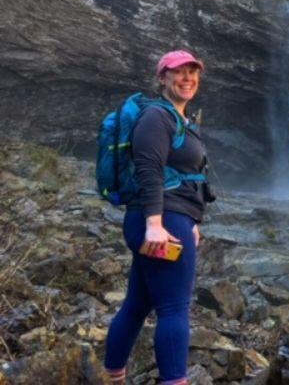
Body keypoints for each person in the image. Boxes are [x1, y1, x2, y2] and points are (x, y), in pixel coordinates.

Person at [104, 50, 216, 385]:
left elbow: (181, 177)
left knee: (138, 304)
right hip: (160, 223)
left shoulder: (180, 119)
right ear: (162, 78)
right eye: (178, 72)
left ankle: (112, 377)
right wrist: (156, 225)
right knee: (174, 309)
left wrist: (192, 221)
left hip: (171, 220)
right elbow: (150, 171)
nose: (187, 78)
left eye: (192, 72)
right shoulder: (157, 117)